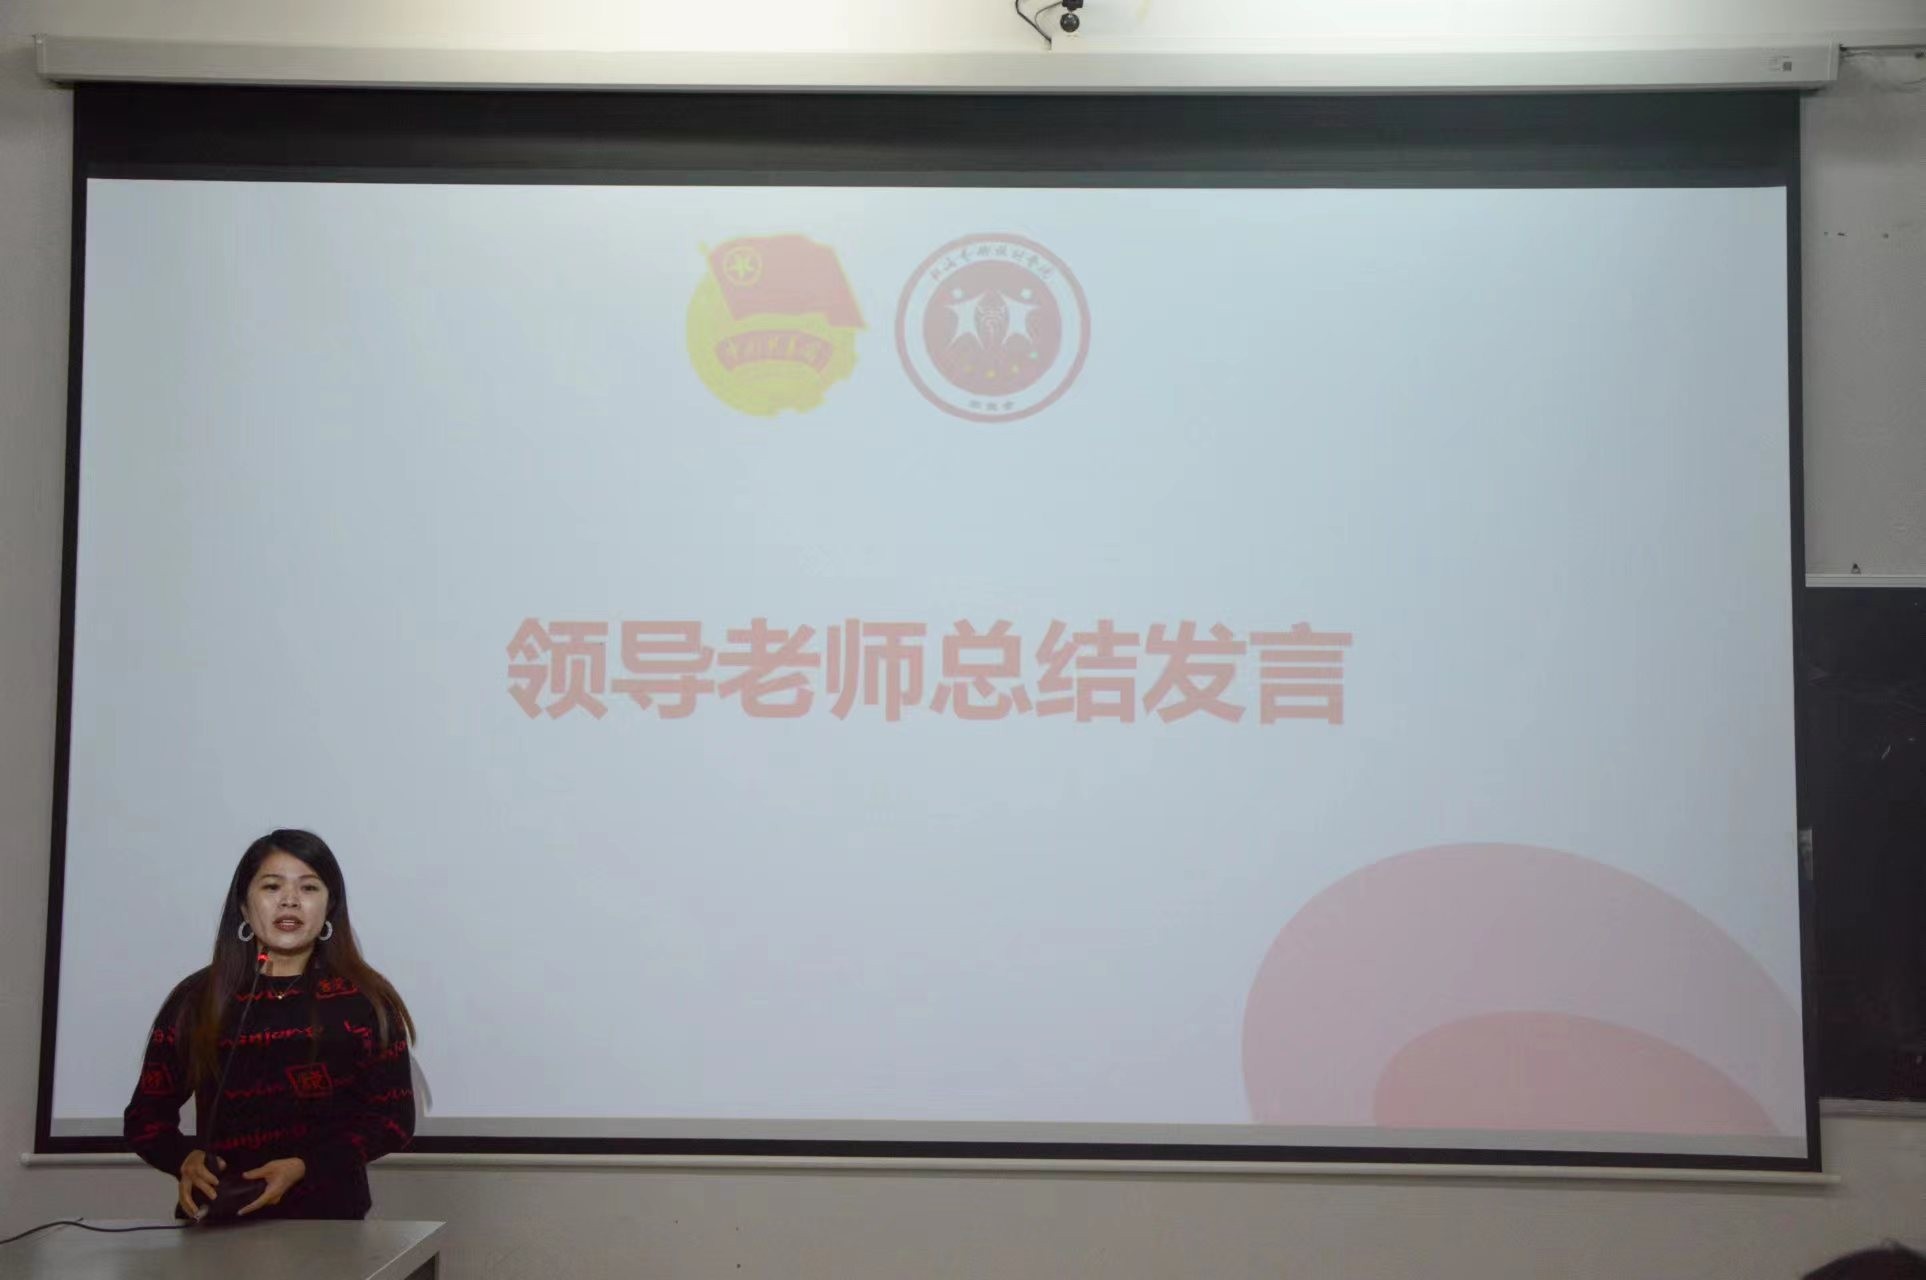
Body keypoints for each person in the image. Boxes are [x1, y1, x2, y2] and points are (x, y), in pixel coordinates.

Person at [123, 829, 417, 1220]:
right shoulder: (198, 998)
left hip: (329, 1225)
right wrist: (183, 1158)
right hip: (219, 1222)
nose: (290, 900)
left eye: (308, 888)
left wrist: (305, 1167)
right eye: (272, 886)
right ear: (244, 907)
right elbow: (145, 1119)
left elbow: (394, 1121)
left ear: (330, 906)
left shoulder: (364, 1001)